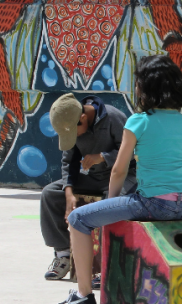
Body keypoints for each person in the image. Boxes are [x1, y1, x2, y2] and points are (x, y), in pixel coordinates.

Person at [59, 55, 182, 304]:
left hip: (153, 204)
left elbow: (118, 170)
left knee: (77, 219)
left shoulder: (138, 121)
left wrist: (111, 203)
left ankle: (83, 295)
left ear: (144, 87)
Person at [41, 93, 137, 284]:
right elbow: (68, 162)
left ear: (83, 117)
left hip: (123, 176)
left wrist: (103, 157)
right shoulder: (71, 123)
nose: (75, 137)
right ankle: (63, 254)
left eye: (74, 133)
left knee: (114, 204)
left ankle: (108, 262)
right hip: (93, 177)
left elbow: (132, 150)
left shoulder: (113, 117)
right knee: (50, 194)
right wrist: (68, 193)